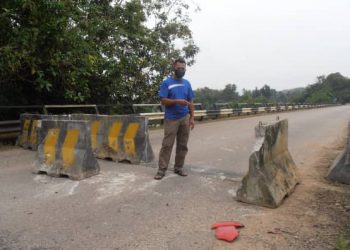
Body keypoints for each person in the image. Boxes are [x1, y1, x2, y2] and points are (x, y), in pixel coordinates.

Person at [154, 58, 195, 180]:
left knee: (183, 145)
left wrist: (192, 117)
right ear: (174, 68)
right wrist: (176, 101)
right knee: (167, 145)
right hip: (171, 119)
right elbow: (163, 100)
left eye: (183, 68)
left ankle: (179, 168)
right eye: (179, 68)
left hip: (185, 118)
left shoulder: (187, 83)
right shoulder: (167, 82)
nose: (181, 70)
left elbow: (191, 101)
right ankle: (161, 170)